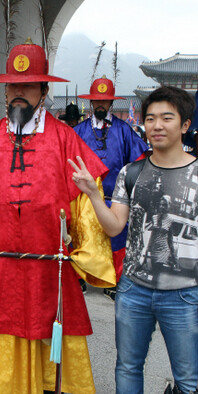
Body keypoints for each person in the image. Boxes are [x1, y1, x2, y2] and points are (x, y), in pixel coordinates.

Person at [0, 39, 116, 394]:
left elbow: (86, 201)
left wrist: (88, 254)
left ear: (43, 91)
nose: (19, 93)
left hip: (50, 270)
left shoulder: (65, 140)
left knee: (55, 351)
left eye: (28, 86)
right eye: (13, 85)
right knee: (4, 340)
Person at [69, 85, 198, 394]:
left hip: (184, 294)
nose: (156, 125)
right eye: (151, 118)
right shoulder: (132, 172)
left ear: (185, 125)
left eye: (167, 118)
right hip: (134, 290)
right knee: (127, 367)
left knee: (189, 380)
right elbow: (115, 227)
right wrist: (93, 194)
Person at [74, 76, 148, 300]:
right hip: (84, 198)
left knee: (116, 240)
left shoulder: (125, 131)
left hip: (115, 197)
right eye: (97, 100)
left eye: (105, 101)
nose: (100, 104)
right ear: (91, 101)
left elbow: (140, 158)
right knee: (81, 236)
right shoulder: (78, 131)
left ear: (111, 103)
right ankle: (79, 277)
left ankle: (113, 281)